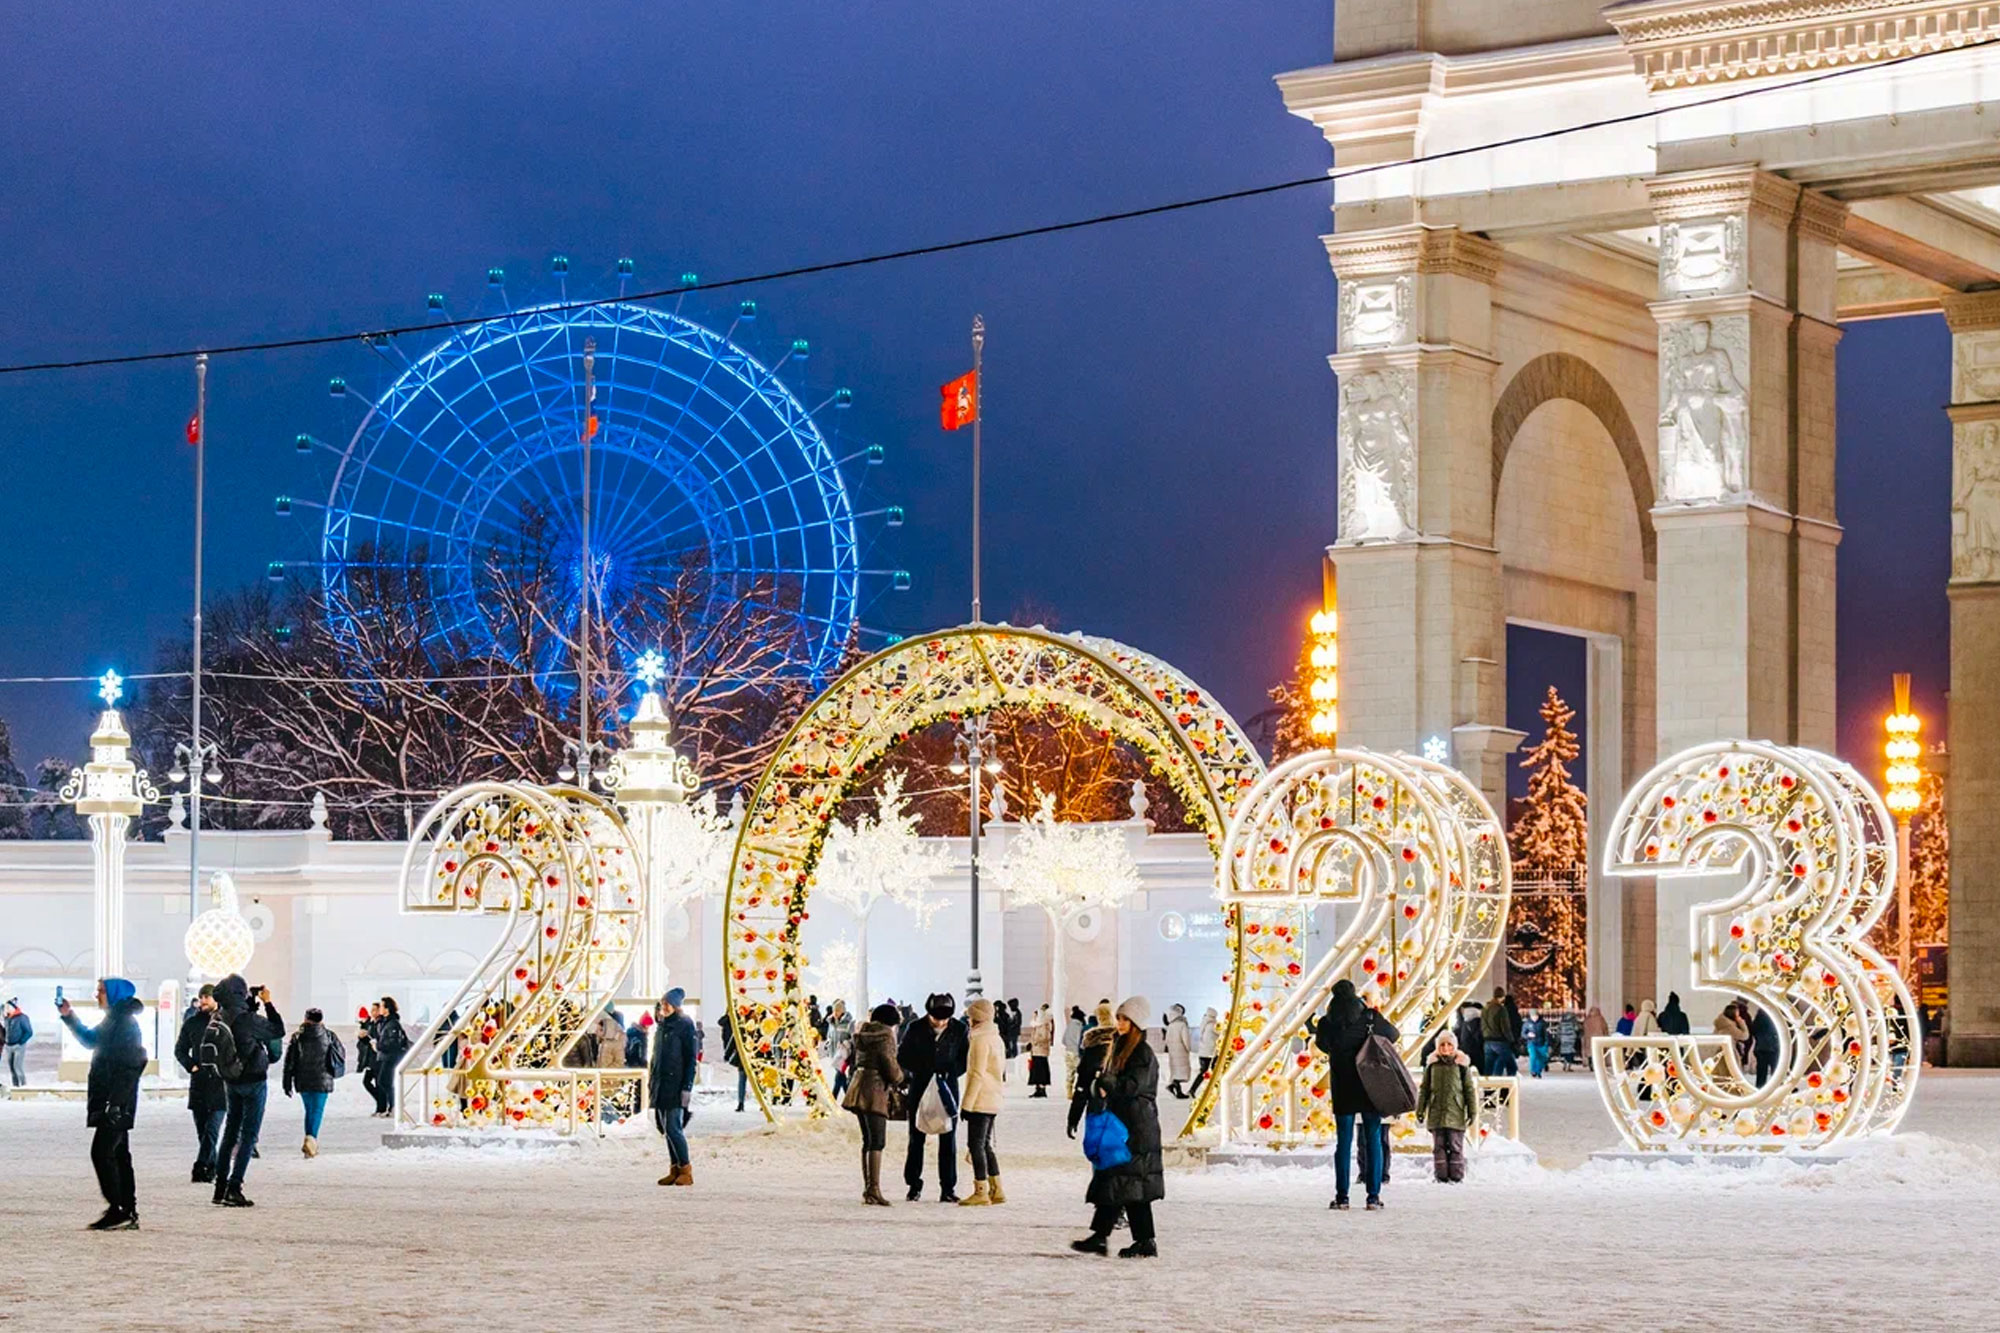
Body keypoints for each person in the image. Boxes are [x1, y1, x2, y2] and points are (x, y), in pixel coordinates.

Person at [1070, 996, 1164, 1259]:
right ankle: (1132, 1240)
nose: (1120, 1023)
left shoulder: (1141, 1052)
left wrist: (1108, 1083)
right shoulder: (1121, 1046)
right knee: (1124, 1183)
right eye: (1119, 1018)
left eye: (1125, 1019)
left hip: (1136, 1126)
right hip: (1124, 1123)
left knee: (1123, 1181)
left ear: (1136, 1023)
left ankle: (1114, 1238)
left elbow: (1134, 1086)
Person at [58, 978, 146, 1230]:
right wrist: (69, 1015)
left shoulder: (125, 1025)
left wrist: (116, 1104)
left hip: (116, 1101)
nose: (97, 995)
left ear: (115, 994)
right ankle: (126, 1208)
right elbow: (89, 1040)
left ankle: (119, 1208)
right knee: (119, 1154)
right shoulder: (113, 1022)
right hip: (113, 1100)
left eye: (101, 991)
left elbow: (130, 1065)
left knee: (102, 1152)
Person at [1314, 978, 1399, 1211]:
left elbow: (1322, 1045)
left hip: (1342, 1086)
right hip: (1370, 1084)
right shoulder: (1370, 1018)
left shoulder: (1326, 1023)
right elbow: (1394, 1035)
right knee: (1373, 1139)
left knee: (1344, 1142)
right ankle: (1373, 1196)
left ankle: (1342, 1197)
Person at [211, 974, 283, 1208]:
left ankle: (220, 1188)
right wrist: (268, 1003)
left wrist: (251, 1005)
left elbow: (240, 1025)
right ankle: (235, 1187)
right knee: (249, 1136)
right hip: (253, 1081)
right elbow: (276, 1030)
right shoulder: (248, 1020)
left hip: (231, 1081)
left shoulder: (219, 1016)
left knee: (230, 1133)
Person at [898, 993, 967, 1202]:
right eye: (937, 1018)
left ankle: (948, 1188)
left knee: (948, 1139)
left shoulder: (959, 1029)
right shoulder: (915, 1028)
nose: (941, 1022)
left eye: (945, 1019)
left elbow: (964, 1058)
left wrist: (949, 1071)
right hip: (920, 1088)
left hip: (947, 1089)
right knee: (916, 1138)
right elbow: (903, 1056)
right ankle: (913, 1184)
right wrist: (923, 1070)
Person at [846, 1002, 905, 1205]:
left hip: (859, 1085)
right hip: (875, 1089)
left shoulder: (864, 1033)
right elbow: (888, 1064)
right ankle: (874, 1189)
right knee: (878, 1140)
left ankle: (869, 1187)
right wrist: (900, 1077)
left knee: (868, 1140)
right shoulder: (886, 1035)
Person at [173, 985, 228, 1183]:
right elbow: (179, 1050)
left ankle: (200, 1166)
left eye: (207, 997)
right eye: (201, 997)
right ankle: (211, 1167)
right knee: (202, 1130)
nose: (203, 1001)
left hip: (221, 1084)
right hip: (199, 1083)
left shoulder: (225, 1022)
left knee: (212, 1129)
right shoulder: (192, 1023)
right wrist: (191, 1066)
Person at [958, 998, 1006, 1206]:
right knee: (985, 1145)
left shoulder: (980, 1040)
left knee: (975, 1145)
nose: (968, 1020)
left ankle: (981, 1190)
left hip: (981, 1098)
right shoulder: (996, 1038)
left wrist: (967, 1105)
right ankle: (997, 1188)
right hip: (993, 1096)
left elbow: (976, 1074)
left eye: (970, 1017)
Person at [650, 989, 699, 1187]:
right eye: (662, 1003)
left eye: (668, 1003)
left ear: (677, 1005)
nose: (664, 1007)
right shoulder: (662, 1027)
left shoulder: (685, 1026)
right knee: (666, 1129)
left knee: (674, 1127)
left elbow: (690, 1060)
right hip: (661, 1085)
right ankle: (675, 1168)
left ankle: (686, 1169)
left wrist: (686, 1087)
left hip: (676, 1085)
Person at [1416, 1029, 1478, 1183]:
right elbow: (1425, 1089)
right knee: (1439, 1146)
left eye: (1449, 1045)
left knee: (1455, 1144)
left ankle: (1456, 1175)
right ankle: (1441, 1175)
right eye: (1442, 1045)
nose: (1445, 1048)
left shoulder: (1461, 1066)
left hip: (1455, 1111)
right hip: (1437, 1111)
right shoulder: (1432, 1066)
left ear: (1454, 1046)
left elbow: (1469, 1090)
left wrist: (1472, 1111)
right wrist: (1421, 1109)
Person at [281, 1008, 345, 1157]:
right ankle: (311, 1139)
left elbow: (289, 1062)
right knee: (316, 1111)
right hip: (323, 1080)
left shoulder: (297, 1037)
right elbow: (340, 1054)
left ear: (305, 1019)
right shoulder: (329, 1035)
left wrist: (286, 1082)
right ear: (321, 1019)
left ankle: (311, 1140)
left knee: (310, 1110)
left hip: (302, 1080)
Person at [1067, 1002, 1116, 1139]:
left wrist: (1073, 1118)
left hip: (1097, 1104)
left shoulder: (1093, 1046)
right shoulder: (1122, 1043)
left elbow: (1082, 1085)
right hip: (1121, 1108)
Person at [369, 997, 410, 1117]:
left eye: (382, 1006)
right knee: (385, 1081)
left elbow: (393, 1042)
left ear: (387, 1009)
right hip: (385, 1057)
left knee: (385, 1081)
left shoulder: (392, 1023)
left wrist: (378, 1046)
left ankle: (395, 1105)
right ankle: (393, 1106)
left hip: (391, 1057)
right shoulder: (385, 1022)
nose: (379, 1008)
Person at [1481, 989, 1518, 1077]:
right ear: (1502, 997)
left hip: (1487, 1041)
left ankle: (1488, 1088)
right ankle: (1505, 1086)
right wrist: (1511, 1040)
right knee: (1511, 1066)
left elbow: (1482, 1025)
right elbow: (1505, 1027)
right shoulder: (1501, 1009)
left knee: (1488, 1066)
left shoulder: (1485, 1008)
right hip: (1499, 1041)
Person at [823, 999, 855, 1097]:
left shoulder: (849, 1023)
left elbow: (853, 1037)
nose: (835, 1013)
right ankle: (847, 1096)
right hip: (834, 1052)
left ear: (842, 1011)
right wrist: (827, 1044)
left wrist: (847, 1043)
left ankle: (833, 1096)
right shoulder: (831, 1023)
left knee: (839, 1074)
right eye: (834, 1011)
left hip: (844, 1053)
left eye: (837, 1010)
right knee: (840, 1075)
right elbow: (830, 1035)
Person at [1162, 1004, 1193, 1099]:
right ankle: (1176, 1089)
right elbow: (1186, 1039)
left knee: (1176, 1071)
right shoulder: (1182, 1025)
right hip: (1181, 1052)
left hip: (1173, 1052)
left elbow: (1166, 1040)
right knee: (1180, 1072)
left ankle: (1174, 1088)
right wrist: (1188, 1049)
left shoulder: (1170, 1026)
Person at [719, 1010, 747, 1112]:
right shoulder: (740, 1027)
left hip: (744, 1057)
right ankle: (741, 1102)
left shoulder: (740, 1028)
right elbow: (733, 1041)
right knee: (743, 1079)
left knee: (742, 1080)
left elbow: (733, 1041)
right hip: (744, 1058)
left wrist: (727, 1054)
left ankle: (741, 1103)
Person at [1025, 1003, 1054, 1097]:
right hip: (1036, 1050)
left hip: (1041, 1050)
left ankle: (1042, 1089)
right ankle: (1038, 1088)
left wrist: (1035, 1042)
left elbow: (1045, 1037)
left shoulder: (1044, 1024)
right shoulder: (1038, 1025)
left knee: (1041, 1070)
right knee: (1037, 1070)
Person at [1712, 1003, 1750, 1074]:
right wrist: (1741, 1022)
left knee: (1722, 1074)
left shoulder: (1720, 1023)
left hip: (1720, 1052)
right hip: (1729, 1052)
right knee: (1731, 1074)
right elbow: (1745, 1036)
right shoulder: (1729, 1027)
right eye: (1737, 1014)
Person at [1748, 1004, 1781, 1086]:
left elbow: (1753, 1030)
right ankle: (1778, 1086)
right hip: (1772, 1047)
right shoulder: (1772, 1019)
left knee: (1761, 1071)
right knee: (1776, 1069)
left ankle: (1760, 1087)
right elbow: (1775, 1031)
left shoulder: (1758, 1018)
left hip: (1761, 1048)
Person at [1453, 1000, 1486, 1075]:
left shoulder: (1462, 1023)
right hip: (1478, 1052)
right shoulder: (1478, 1022)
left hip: (1465, 1050)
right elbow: (1479, 1037)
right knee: (1481, 1073)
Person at [4, 999, 32, 1087]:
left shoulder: (22, 1017)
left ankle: (23, 1087)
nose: (6, 1009)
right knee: (12, 1069)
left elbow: (29, 1032)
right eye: (5, 1007)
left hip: (18, 1046)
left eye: (8, 1007)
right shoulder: (7, 1018)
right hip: (8, 1046)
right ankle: (16, 1087)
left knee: (18, 1067)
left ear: (13, 1007)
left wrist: (21, 1042)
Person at [1062, 1005, 1086, 1094]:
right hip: (1076, 1052)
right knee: (1080, 1072)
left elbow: (1063, 1040)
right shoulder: (1080, 1026)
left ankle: (1069, 1090)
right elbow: (1079, 1040)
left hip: (1068, 1051)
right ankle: (1078, 1091)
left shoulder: (1069, 1026)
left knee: (1069, 1072)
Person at [1522, 1009, 1551, 1079]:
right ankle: (1533, 1071)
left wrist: (1547, 1043)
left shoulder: (1542, 1023)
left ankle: (1538, 1071)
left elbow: (1546, 1034)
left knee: (1542, 1058)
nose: (1535, 1017)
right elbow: (1523, 1034)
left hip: (1541, 1043)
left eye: (1536, 1016)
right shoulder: (1527, 1024)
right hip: (1531, 1043)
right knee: (1533, 1056)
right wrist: (1528, 1035)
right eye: (1533, 1016)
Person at [1195, 1007, 1219, 1085]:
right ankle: (1213, 1089)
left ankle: (1193, 1090)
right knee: (1214, 1071)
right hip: (1210, 1052)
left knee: (1203, 1072)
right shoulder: (1213, 1025)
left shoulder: (1204, 1023)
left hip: (1203, 1052)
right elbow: (1221, 1033)